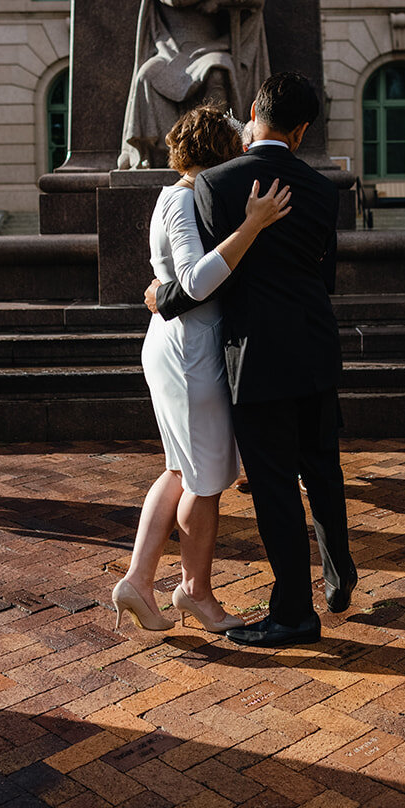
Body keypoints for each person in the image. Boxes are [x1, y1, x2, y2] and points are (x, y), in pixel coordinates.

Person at [147, 72, 353, 648]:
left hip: (255, 358)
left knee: (275, 487)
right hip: (313, 347)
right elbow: (324, 276)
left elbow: (208, 279)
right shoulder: (323, 188)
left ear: (255, 110)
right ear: (304, 129)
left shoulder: (215, 183)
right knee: (323, 468)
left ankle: (294, 612)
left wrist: (162, 295)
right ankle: (340, 573)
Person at [112, 107, 292, 634]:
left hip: (182, 346)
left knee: (180, 470)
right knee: (206, 480)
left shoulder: (181, 195)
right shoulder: (184, 198)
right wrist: (253, 225)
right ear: (220, 153)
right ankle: (194, 593)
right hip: (189, 352)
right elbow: (192, 281)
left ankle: (139, 582)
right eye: (237, 146)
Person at [117, 0, 269, 169]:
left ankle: (219, 148)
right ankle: (167, 150)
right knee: (146, 74)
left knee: (218, 68)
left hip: (211, 49)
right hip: (172, 54)